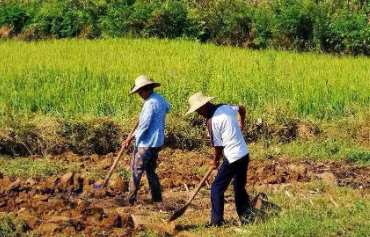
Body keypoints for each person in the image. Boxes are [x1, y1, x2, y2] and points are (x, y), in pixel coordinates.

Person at [185, 92, 253, 226]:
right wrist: (241, 123)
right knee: (238, 187)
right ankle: (247, 219)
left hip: (233, 157)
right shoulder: (225, 107)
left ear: (205, 105)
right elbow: (242, 108)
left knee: (216, 188)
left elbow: (218, 147)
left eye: (199, 110)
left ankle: (217, 222)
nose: (199, 114)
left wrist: (215, 160)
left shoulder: (212, 121)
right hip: (244, 153)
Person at [119, 75, 171, 205]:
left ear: (145, 90)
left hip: (146, 143)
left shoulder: (149, 104)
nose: (139, 95)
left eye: (139, 92)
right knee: (150, 170)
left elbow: (144, 125)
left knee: (136, 169)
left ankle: (130, 199)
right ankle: (157, 198)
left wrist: (130, 138)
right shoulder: (159, 99)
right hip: (157, 142)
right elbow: (168, 108)